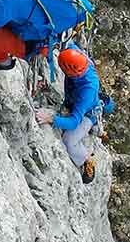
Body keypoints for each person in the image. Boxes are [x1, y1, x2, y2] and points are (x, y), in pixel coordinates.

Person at [35, 47, 102, 184]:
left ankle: (86, 159)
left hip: (88, 114)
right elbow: (66, 42)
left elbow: (73, 122)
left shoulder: (88, 89)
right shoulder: (77, 57)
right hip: (73, 101)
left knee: (69, 140)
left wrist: (51, 119)